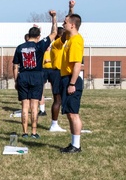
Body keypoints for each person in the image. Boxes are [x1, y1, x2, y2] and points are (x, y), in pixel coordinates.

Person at [13, 11, 59, 138]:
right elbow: (54, 33)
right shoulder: (40, 45)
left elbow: (15, 66)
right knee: (34, 106)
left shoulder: (19, 47)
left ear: (28, 36)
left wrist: (16, 80)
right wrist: (54, 18)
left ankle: (24, 132)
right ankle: (34, 132)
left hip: (23, 76)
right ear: (38, 36)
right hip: (37, 76)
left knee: (24, 106)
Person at [60, 9, 85, 153]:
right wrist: (71, 9)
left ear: (72, 25)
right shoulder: (70, 39)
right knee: (69, 113)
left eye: (65, 23)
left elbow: (77, 64)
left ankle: (76, 146)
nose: (63, 24)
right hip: (67, 79)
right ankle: (73, 143)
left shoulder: (75, 41)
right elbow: (73, 18)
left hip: (71, 80)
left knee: (73, 113)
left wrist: (72, 83)